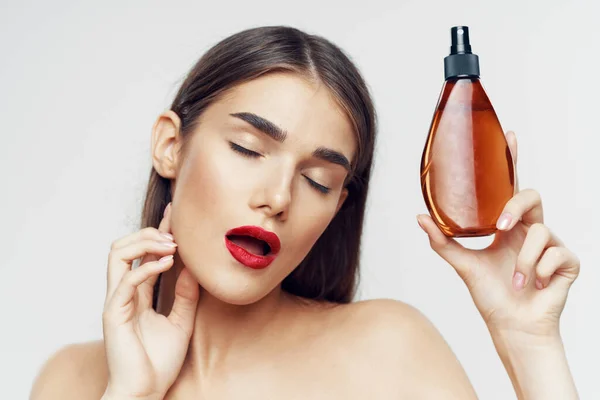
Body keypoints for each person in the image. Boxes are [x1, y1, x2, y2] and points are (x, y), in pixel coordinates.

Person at [30, 26, 580, 399]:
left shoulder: (387, 350)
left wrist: (527, 341)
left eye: (318, 180)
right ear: (170, 145)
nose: (278, 197)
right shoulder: (70, 380)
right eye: (248, 149)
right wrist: (132, 394)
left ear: (338, 207)